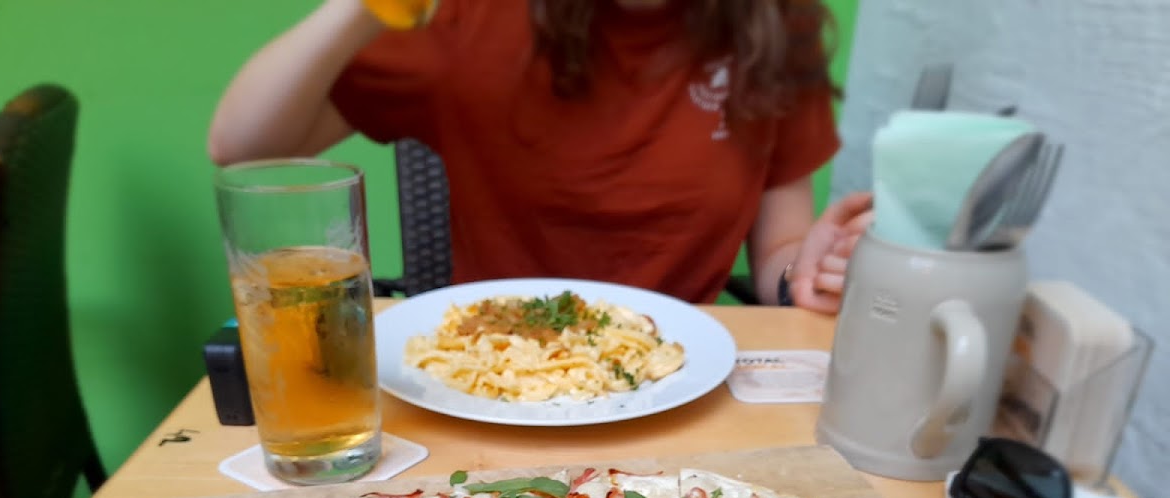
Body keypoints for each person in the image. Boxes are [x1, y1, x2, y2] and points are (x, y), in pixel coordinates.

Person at [209, 0, 872, 310]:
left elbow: (780, 251)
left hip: (683, 376)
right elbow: (242, 147)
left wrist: (807, 274)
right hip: (492, 370)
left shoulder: (778, 25)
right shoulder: (476, 18)